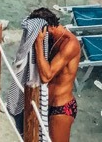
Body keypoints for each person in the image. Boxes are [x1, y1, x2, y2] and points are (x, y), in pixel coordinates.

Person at [33, 8, 81, 142]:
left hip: (62, 108)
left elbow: (46, 76)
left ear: (46, 28)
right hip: (46, 103)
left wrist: (38, 44)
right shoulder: (52, 39)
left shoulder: (69, 44)